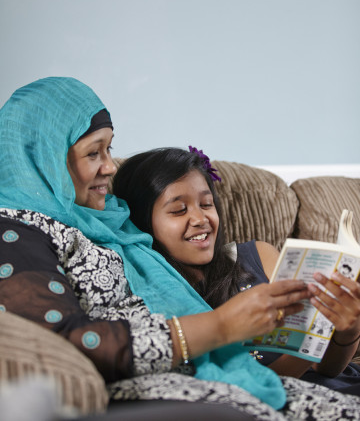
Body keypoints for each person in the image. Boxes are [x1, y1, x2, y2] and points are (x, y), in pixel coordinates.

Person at [0, 79, 359, 421]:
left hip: (203, 378)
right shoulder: (18, 231)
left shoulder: (105, 226)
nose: (110, 166)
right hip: (164, 386)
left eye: (109, 149)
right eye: (94, 152)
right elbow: (65, 342)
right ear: (43, 155)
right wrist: (220, 325)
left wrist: (343, 331)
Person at [112, 146, 360, 395]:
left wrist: (347, 331)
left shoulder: (258, 256)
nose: (201, 218)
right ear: (141, 222)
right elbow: (243, 391)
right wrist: (311, 343)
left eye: (207, 204)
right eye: (179, 210)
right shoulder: (149, 295)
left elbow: (327, 369)